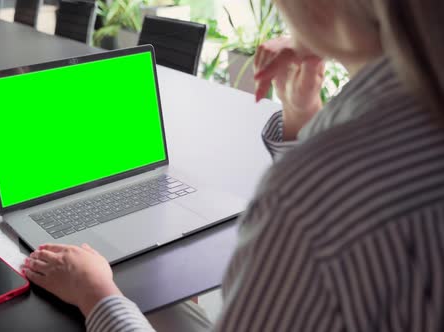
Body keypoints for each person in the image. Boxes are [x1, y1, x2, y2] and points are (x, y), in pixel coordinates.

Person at [23, 0, 444, 330]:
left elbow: (332, 204)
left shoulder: (307, 197)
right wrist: (301, 119)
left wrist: (95, 294)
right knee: (169, 309)